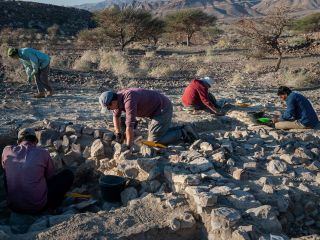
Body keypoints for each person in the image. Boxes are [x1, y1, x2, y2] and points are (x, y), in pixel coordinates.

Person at [1, 128, 74, 214]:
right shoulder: (43, 152)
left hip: (13, 206)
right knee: (68, 174)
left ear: (18, 141)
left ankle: (12, 198)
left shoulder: (7, 150)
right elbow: (50, 176)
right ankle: (54, 205)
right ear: (35, 141)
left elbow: (5, 168)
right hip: (37, 207)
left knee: (6, 174)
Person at [99, 88, 199, 148]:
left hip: (162, 109)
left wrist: (128, 146)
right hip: (152, 110)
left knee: (154, 141)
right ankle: (168, 129)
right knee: (124, 126)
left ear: (113, 101)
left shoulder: (129, 100)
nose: (108, 109)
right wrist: (118, 132)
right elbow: (115, 116)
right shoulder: (117, 100)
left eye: (108, 107)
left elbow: (130, 125)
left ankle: (183, 131)